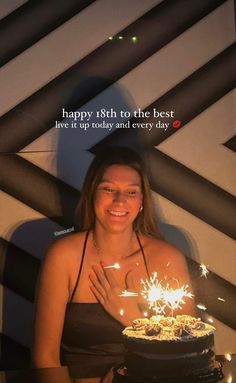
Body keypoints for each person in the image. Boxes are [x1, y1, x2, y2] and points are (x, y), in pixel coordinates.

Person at [32, 146, 196, 369]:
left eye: (131, 192)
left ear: (141, 202)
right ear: (92, 194)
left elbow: (189, 354)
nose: (120, 201)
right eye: (108, 189)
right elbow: (44, 359)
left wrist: (133, 320)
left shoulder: (168, 258)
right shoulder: (63, 256)